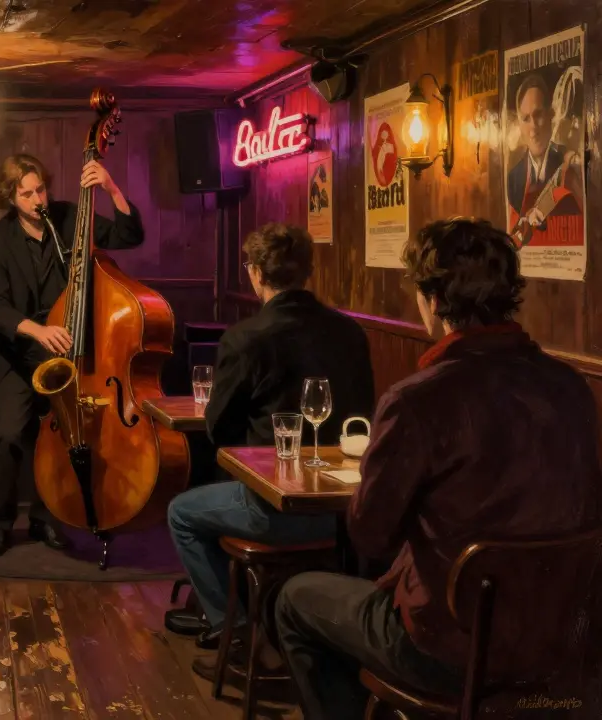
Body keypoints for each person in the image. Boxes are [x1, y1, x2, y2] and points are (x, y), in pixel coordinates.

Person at [274, 218, 602, 719]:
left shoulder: (418, 400)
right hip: (564, 644)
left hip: (449, 649)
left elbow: (369, 535)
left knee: (296, 600)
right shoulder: (571, 387)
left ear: (431, 298)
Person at [164, 224, 375, 661]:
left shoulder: (246, 337)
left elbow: (219, 431)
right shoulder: (350, 333)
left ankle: (235, 630)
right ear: (307, 272)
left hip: (275, 510)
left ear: (256, 274)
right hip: (346, 514)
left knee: (181, 512)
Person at [0, 153, 144, 557]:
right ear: (10, 198)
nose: (39, 200)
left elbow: (127, 236)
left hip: (69, 353)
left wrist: (112, 188)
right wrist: (37, 329)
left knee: (67, 437)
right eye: (27, 194)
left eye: (41, 189)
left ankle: (47, 519)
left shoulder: (70, 218)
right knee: (9, 436)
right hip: (20, 354)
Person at [505, 72, 584, 248]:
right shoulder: (513, 178)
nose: (533, 127)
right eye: (526, 119)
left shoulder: (570, 164)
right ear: (519, 124)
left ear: (551, 115)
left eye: (538, 115)